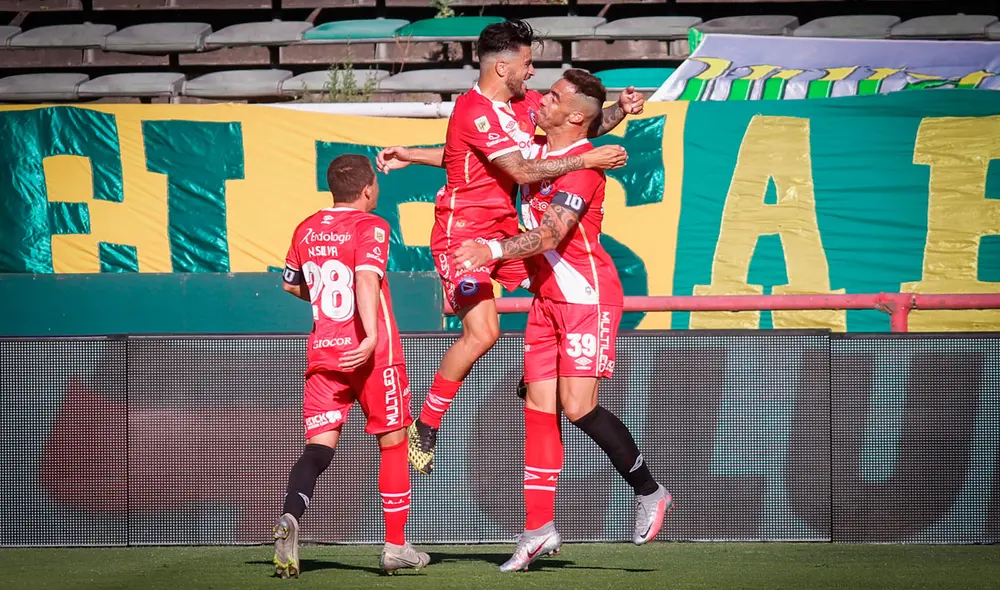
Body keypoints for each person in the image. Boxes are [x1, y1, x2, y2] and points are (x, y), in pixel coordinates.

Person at [376, 19, 644, 476]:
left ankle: (540, 372)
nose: (533, 72)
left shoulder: (527, 104)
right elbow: (521, 170)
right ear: (503, 66)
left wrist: (619, 109)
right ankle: (427, 422)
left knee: (549, 285)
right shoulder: (474, 111)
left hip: (504, 230)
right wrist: (589, 159)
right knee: (484, 332)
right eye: (527, 63)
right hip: (462, 235)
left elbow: (575, 124)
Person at [451, 70, 672, 573]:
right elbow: (478, 158)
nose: (540, 100)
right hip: (546, 302)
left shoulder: (583, 171)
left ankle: (650, 491)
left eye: (552, 96)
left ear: (573, 115)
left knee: (576, 406)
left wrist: (489, 247)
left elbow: (551, 236)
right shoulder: (544, 148)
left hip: (584, 300)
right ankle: (538, 530)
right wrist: (618, 110)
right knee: (537, 409)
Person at [273, 154, 430, 577]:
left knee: (318, 448)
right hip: (373, 355)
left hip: (325, 351)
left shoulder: (305, 228)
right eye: (375, 184)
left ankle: (290, 517)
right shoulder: (372, 226)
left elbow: (291, 283)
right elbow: (364, 279)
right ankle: (396, 545)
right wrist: (372, 334)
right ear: (367, 189)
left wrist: (327, 305)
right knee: (394, 444)